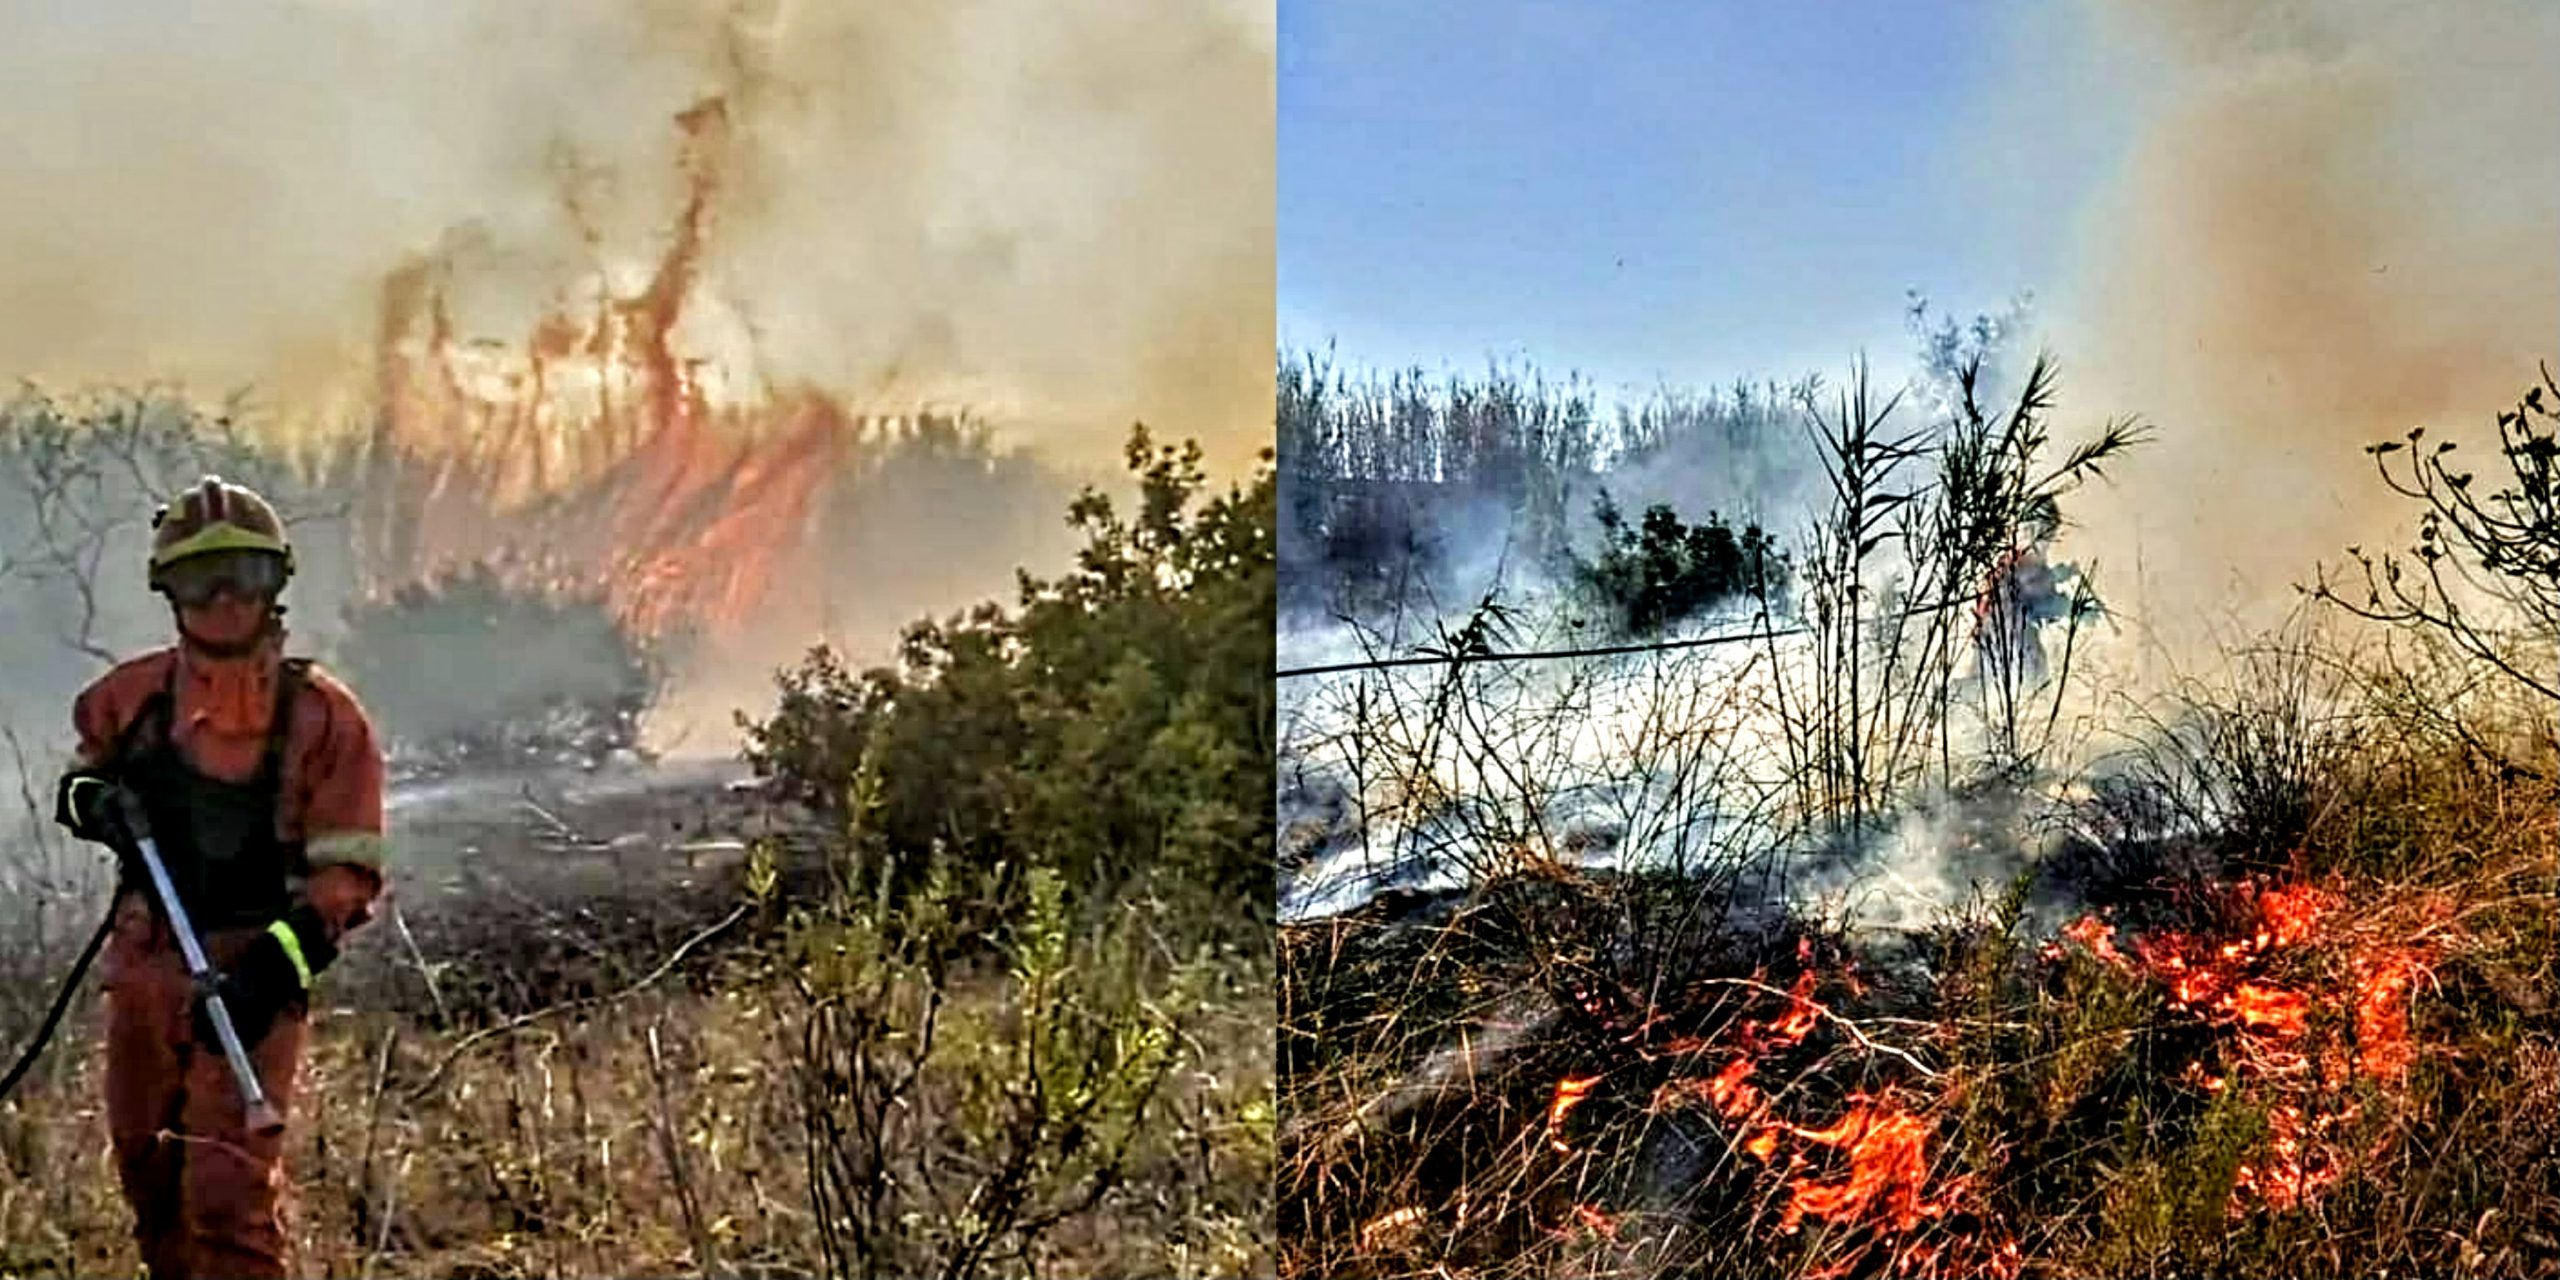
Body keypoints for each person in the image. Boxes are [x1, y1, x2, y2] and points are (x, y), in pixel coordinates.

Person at [52, 476, 388, 1280]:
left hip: (253, 968)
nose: (226, 599)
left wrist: (265, 976)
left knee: (225, 1194)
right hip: (148, 957)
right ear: (169, 592)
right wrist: (93, 802)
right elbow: (77, 782)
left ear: (278, 583)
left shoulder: (327, 720)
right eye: (203, 579)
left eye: (246, 574)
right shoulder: (128, 700)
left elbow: (346, 883)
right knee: (150, 1174)